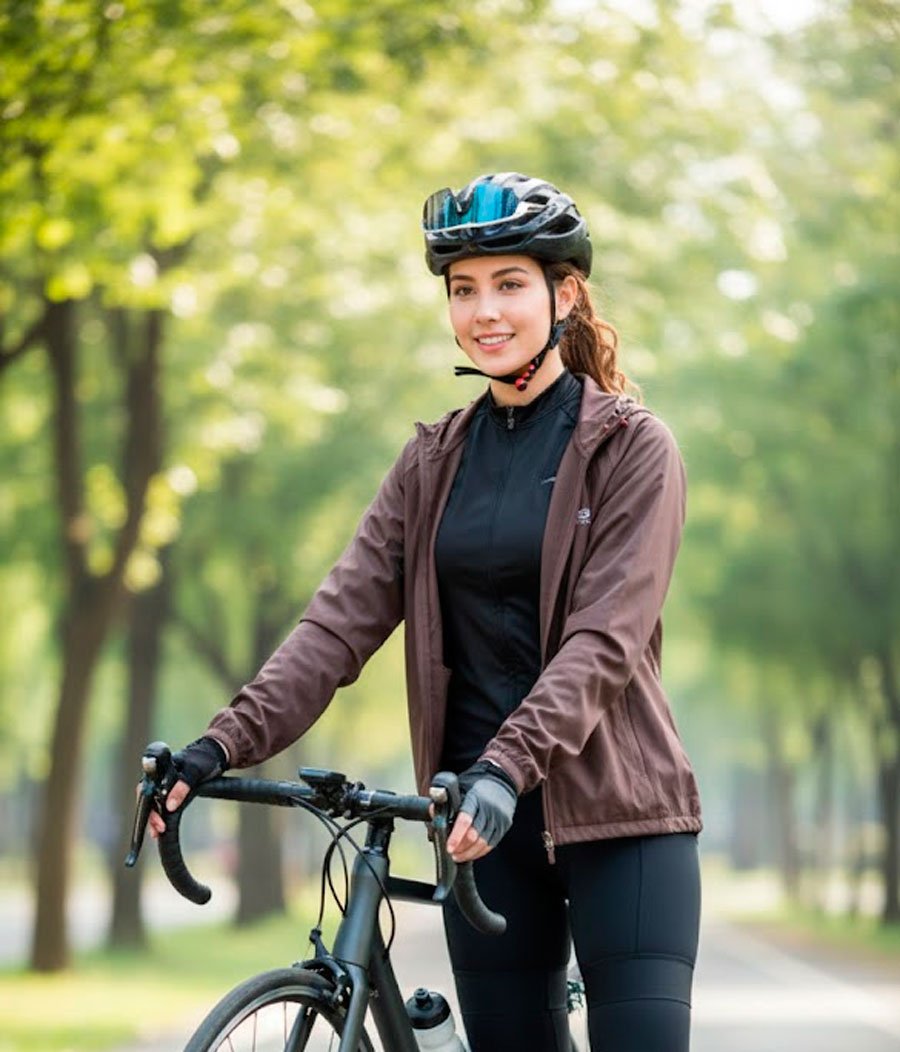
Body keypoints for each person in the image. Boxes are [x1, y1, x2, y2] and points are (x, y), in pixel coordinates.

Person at [149, 172, 703, 1052]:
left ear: (564, 292)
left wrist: (506, 764)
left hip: (622, 825)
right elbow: (335, 627)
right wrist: (219, 744)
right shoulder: (430, 463)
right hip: (482, 836)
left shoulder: (632, 448)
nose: (485, 310)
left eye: (509, 283)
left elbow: (605, 641)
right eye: (463, 289)